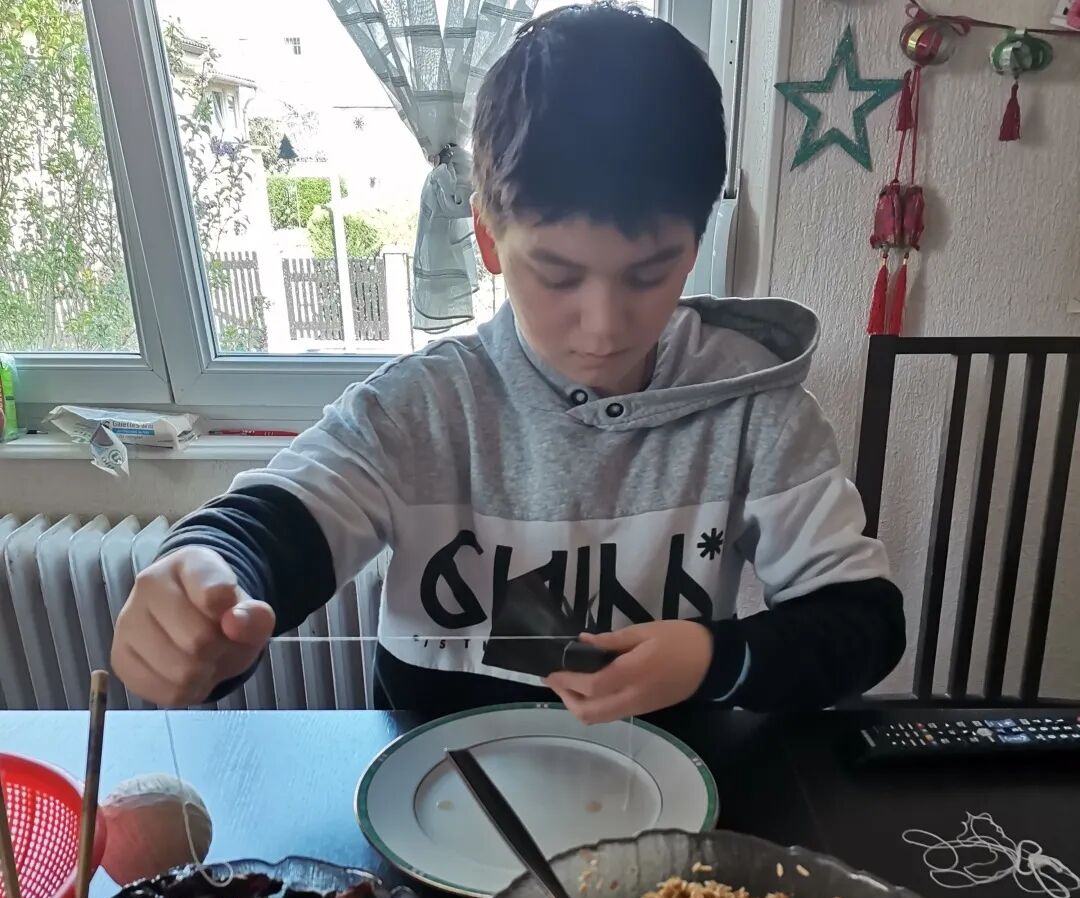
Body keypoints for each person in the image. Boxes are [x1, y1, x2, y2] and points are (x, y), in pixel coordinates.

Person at [112, 2, 904, 718]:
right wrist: (208, 575)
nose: (603, 326)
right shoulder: (420, 409)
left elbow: (862, 623)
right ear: (489, 241)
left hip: (676, 799)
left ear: (695, 247)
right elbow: (280, 518)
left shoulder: (755, 411)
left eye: (649, 273)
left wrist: (714, 660)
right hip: (440, 794)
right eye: (556, 274)